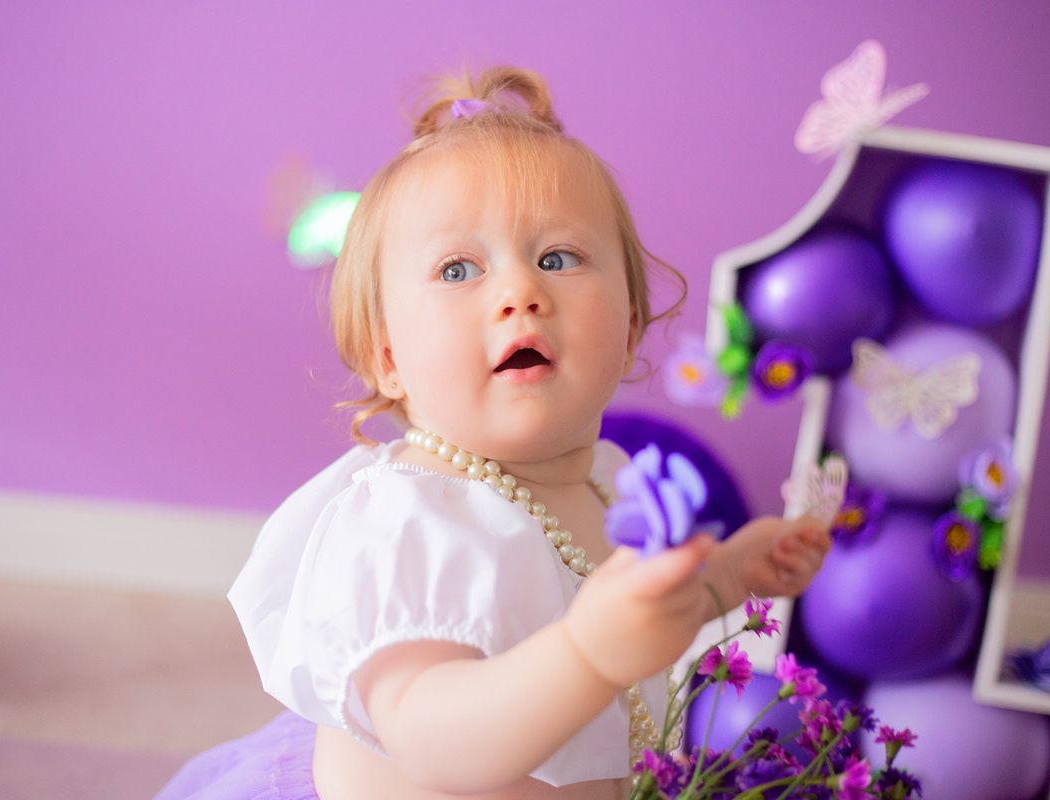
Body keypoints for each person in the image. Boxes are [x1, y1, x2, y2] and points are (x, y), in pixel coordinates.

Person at [155, 66, 830, 800]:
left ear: (632, 325)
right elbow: (432, 741)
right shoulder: (407, 520)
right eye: (457, 269)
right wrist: (585, 652)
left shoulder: (608, 476)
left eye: (557, 258)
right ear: (389, 358)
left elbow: (638, 617)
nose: (520, 293)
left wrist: (724, 577)